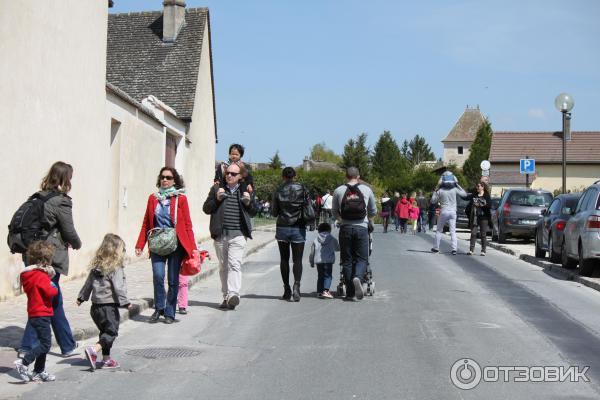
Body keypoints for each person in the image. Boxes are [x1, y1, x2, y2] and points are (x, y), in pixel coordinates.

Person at [19, 161, 81, 358]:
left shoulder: (38, 197)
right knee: (45, 300)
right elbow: (69, 230)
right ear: (65, 178)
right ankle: (28, 347)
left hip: (32, 252)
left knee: (52, 301)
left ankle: (67, 344)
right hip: (49, 256)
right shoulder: (61, 201)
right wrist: (77, 243)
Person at [135, 167, 198, 324]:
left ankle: (170, 312)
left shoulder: (180, 199)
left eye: (168, 177)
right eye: (162, 177)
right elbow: (146, 222)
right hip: (157, 242)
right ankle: (159, 308)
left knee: (172, 279)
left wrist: (193, 248)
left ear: (174, 180)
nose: (165, 180)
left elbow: (188, 224)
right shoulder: (153, 198)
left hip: (175, 243)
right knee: (158, 276)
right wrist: (140, 244)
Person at [203, 163, 257, 310]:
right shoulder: (216, 189)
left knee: (234, 264)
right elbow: (206, 209)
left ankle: (234, 294)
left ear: (240, 177)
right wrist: (217, 199)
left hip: (238, 235)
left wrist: (248, 202)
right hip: (220, 235)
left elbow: (253, 211)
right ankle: (226, 296)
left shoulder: (245, 190)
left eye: (233, 174)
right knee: (223, 267)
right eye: (227, 173)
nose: (229, 176)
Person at [77, 234, 131, 370]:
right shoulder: (115, 267)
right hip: (109, 308)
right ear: (116, 251)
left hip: (95, 308)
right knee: (111, 333)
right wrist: (125, 302)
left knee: (104, 333)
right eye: (122, 249)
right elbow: (118, 287)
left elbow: (88, 284)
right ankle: (94, 350)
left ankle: (106, 359)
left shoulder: (97, 267)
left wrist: (81, 297)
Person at [14, 242, 58, 383]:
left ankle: (39, 371)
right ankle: (24, 363)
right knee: (45, 344)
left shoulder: (29, 275)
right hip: (42, 313)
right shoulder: (40, 276)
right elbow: (50, 291)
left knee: (41, 343)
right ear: (46, 260)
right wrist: (53, 285)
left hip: (34, 312)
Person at [332, 167, 377, 301]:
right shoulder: (366, 189)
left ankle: (350, 292)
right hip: (361, 228)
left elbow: (334, 211)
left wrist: (341, 220)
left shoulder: (338, 190)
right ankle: (358, 276)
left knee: (347, 260)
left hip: (345, 228)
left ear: (346, 176)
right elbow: (373, 210)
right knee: (362, 258)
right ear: (358, 175)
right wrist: (369, 219)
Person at [271, 167, 314, 301]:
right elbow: (308, 207)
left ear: (283, 176)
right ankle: (297, 286)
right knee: (297, 260)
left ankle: (286, 289)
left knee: (284, 259)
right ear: (295, 176)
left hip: (283, 227)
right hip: (298, 227)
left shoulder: (278, 190)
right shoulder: (302, 189)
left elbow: (273, 212)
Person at [431, 171, 467, 255]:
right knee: (453, 231)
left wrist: (436, 188)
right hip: (453, 212)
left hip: (443, 211)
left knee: (439, 230)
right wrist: (457, 184)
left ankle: (436, 248)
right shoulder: (454, 189)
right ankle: (454, 249)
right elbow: (464, 194)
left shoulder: (440, 190)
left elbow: (433, 201)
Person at [309, 222, 339, 299]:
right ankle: (326, 291)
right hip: (328, 261)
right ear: (329, 230)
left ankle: (319, 292)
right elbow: (337, 248)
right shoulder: (332, 238)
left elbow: (312, 252)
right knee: (328, 276)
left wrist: (311, 261)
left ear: (319, 230)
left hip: (319, 262)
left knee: (320, 276)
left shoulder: (316, 240)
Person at [465, 182, 492, 256]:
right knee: (473, 233)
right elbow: (469, 204)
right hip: (475, 217)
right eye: (477, 186)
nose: (477, 187)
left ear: (482, 187)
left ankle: (483, 251)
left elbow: (489, 205)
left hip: (484, 217)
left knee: (483, 234)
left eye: (478, 186)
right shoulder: (475, 195)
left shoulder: (486, 195)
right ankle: (471, 250)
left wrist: (480, 204)